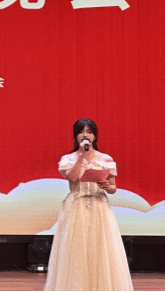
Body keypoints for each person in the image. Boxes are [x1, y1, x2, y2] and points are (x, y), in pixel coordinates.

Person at [44, 118, 133, 291]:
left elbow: (113, 188)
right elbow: (72, 178)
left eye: (89, 132)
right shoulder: (68, 159)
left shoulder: (105, 159)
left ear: (95, 136)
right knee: (76, 249)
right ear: (75, 136)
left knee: (100, 249)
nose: (85, 135)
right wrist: (82, 157)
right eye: (81, 132)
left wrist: (107, 186)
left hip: (100, 207)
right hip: (76, 207)